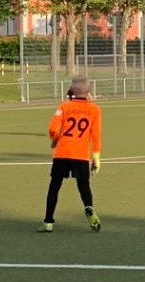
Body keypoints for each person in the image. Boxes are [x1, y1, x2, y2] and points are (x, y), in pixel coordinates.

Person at [41, 76, 101, 232]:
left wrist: (55, 139)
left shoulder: (64, 106)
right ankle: (88, 207)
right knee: (83, 185)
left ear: (72, 90)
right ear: (88, 91)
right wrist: (96, 157)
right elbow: (96, 135)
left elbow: (52, 128)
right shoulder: (94, 110)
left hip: (62, 152)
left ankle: (48, 222)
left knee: (55, 186)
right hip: (80, 154)